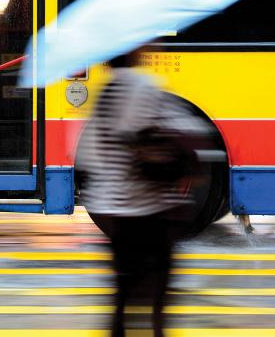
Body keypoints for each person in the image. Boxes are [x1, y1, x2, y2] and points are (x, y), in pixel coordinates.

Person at [76, 48, 195, 337]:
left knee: (122, 293)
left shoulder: (104, 94)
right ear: (133, 54)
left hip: (113, 211)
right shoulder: (145, 86)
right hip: (148, 210)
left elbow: (87, 158)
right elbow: (180, 132)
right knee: (159, 295)